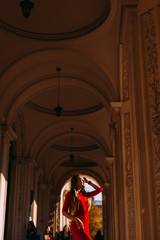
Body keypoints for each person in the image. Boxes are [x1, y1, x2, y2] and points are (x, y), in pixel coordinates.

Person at [62, 175, 103, 240]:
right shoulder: (70, 195)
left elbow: (100, 189)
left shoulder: (85, 195)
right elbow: (64, 212)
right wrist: (76, 219)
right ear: (76, 183)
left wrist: (89, 182)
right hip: (77, 226)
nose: (83, 181)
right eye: (81, 180)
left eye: (83, 180)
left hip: (86, 226)